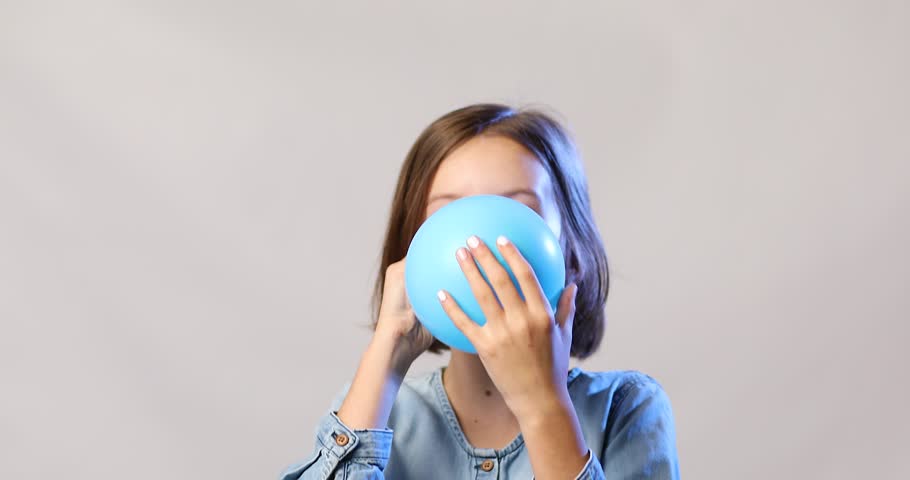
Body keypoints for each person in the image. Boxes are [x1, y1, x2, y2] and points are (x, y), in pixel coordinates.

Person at [280, 103, 680, 479]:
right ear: (412, 249)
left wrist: (542, 404)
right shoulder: (373, 408)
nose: (479, 244)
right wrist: (385, 358)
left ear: (571, 253)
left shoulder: (625, 408)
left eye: (518, 211)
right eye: (449, 215)